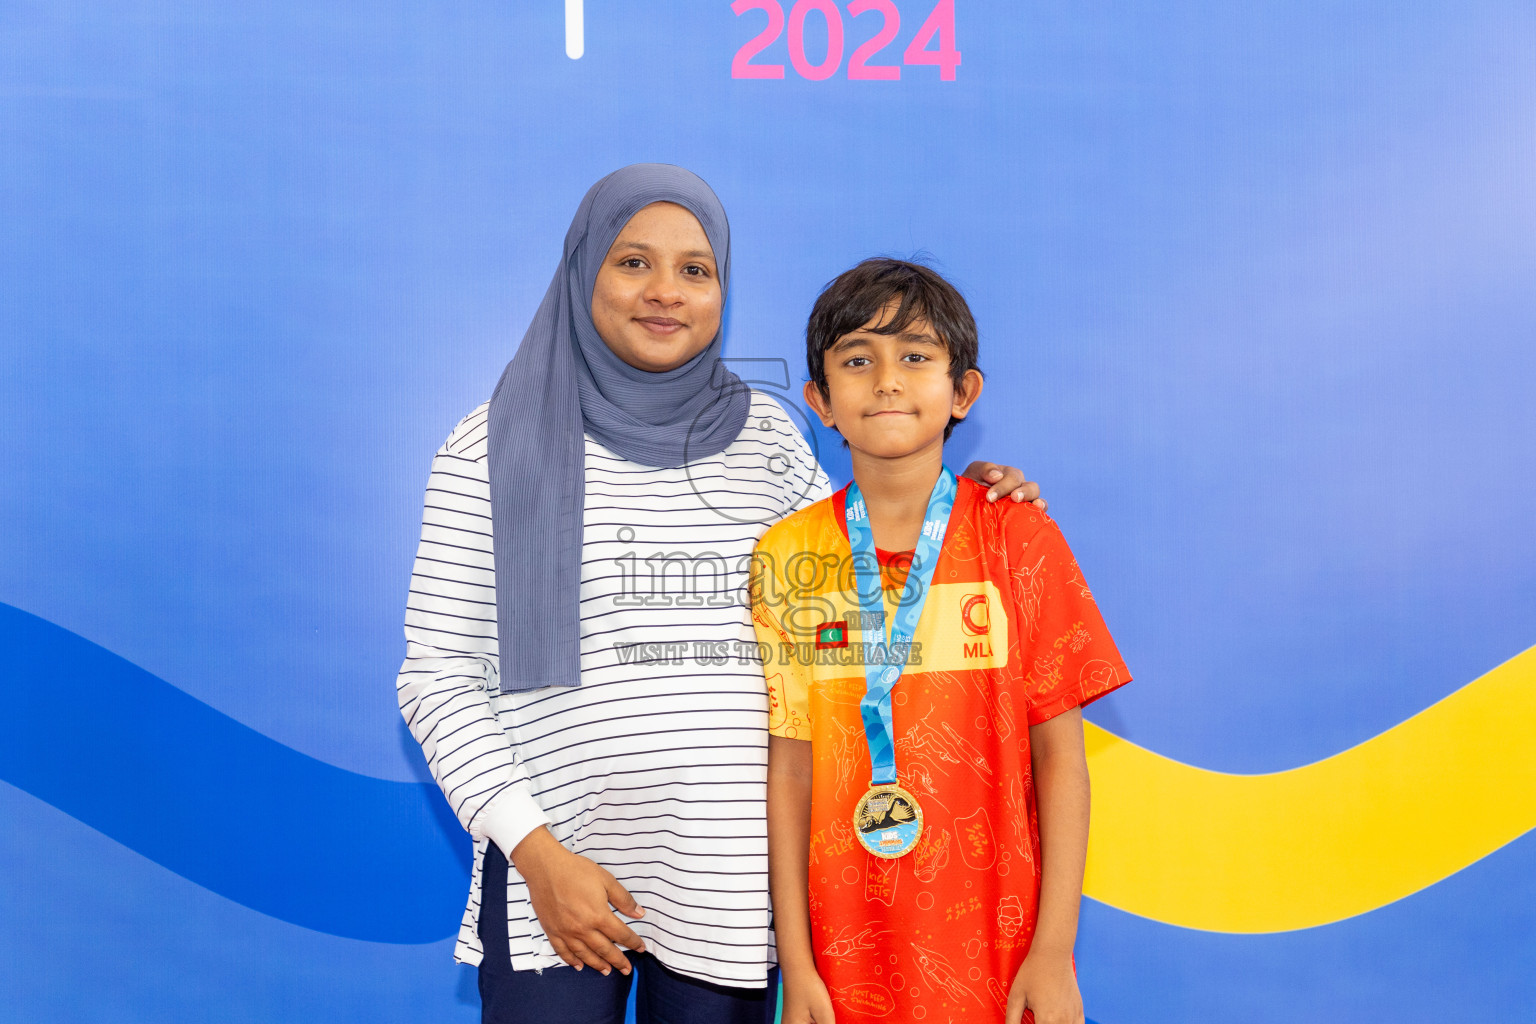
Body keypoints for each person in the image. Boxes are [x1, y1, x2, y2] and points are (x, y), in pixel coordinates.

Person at [396, 166, 1044, 1024]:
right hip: (555, 871)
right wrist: (536, 854)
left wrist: (979, 505)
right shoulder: (489, 446)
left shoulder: (771, 437)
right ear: (583, 268)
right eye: (633, 262)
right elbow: (435, 679)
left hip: (728, 885)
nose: (666, 292)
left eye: (696, 270)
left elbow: (866, 563)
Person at [754, 258, 1131, 1024]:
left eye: (916, 357)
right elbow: (789, 771)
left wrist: (1053, 952)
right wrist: (798, 967)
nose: (887, 380)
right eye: (857, 360)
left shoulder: (1017, 536)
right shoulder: (785, 558)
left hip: (1000, 951)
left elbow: (1061, 757)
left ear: (963, 392)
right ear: (820, 401)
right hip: (842, 954)